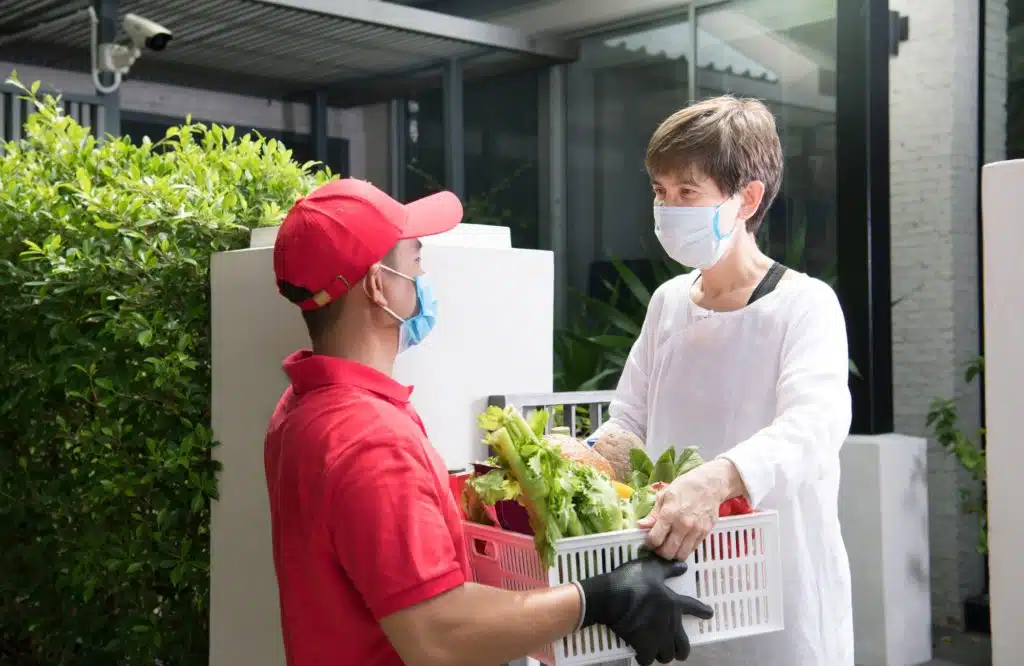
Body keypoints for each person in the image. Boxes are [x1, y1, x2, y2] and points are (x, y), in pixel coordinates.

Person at [263, 178, 714, 666]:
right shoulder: (372, 441)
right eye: (415, 259)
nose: (423, 274)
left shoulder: (299, 409)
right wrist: (599, 597)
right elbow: (439, 636)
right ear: (377, 285)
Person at [591, 96, 854, 666]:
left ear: (747, 198)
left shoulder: (804, 304)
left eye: (688, 192)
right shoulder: (668, 302)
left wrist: (717, 481)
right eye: (660, 191)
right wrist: (581, 464)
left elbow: (815, 424)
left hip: (779, 598)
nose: (667, 208)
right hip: (674, 585)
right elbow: (629, 421)